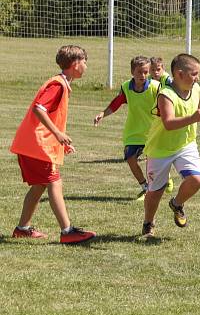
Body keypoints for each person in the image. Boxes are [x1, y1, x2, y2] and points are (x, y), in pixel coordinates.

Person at [9, 45, 97, 244]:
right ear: (75, 64)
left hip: (33, 144)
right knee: (54, 182)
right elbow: (39, 109)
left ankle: (22, 228)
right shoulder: (57, 85)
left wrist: (61, 141)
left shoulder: (61, 84)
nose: (86, 66)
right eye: (84, 62)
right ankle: (67, 231)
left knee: (39, 186)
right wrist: (57, 134)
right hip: (37, 145)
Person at [140, 53, 200, 238]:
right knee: (155, 192)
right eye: (194, 74)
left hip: (186, 144)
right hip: (160, 148)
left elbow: (198, 108)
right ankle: (148, 223)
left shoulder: (196, 88)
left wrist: (196, 116)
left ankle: (177, 204)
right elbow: (168, 123)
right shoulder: (166, 94)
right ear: (179, 74)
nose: (197, 78)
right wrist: (193, 118)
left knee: (196, 180)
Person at [93, 55, 164, 199]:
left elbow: (165, 106)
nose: (143, 75)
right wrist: (102, 113)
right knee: (131, 158)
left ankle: (158, 185)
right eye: (139, 72)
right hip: (133, 132)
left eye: (146, 72)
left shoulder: (155, 87)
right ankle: (145, 187)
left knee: (152, 164)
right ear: (132, 72)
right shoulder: (126, 87)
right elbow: (116, 103)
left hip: (153, 131)